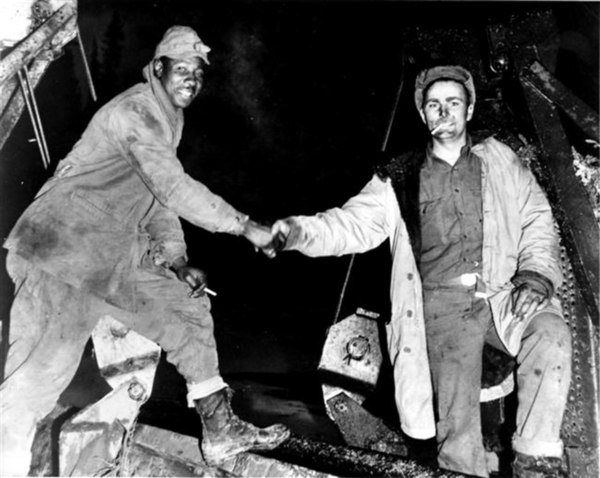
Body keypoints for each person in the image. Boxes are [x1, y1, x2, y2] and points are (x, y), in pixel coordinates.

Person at [0, 25, 289, 476]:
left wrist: (175, 261)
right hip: (63, 249)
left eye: (198, 73)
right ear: (157, 68)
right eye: (182, 69)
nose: (192, 78)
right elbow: (172, 188)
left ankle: (219, 428)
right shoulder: (136, 111)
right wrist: (245, 226)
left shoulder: (167, 122)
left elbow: (155, 201)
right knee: (38, 378)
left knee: (186, 308)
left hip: (111, 258)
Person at [270, 65, 571, 477]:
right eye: (434, 105)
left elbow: (536, 217)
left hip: (501, 294)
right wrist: (296, 232)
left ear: (468, 111)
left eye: (453, 103)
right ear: (423, 115)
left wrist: (535, 275)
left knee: (551, 333)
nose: (443, 112)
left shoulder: (500, 159)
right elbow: (350, 225)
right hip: (442, 311)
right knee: (457, 433)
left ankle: (536, 461)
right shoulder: (398, 176)